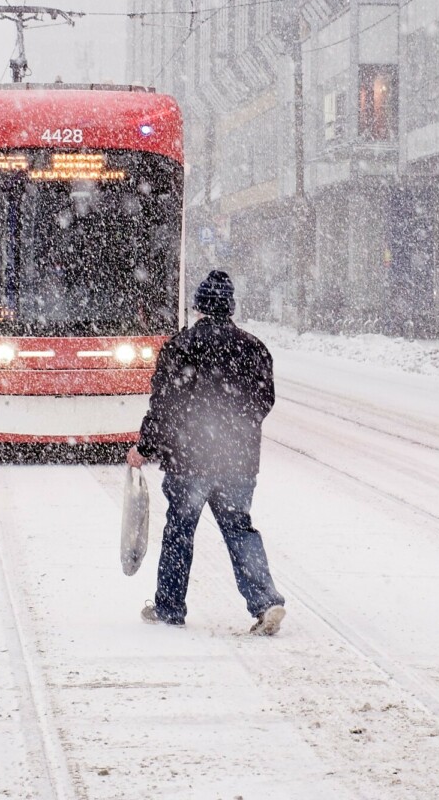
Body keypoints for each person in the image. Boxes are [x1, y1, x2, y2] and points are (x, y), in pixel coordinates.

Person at [126, 269, 286, 635]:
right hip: (236, 461)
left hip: (189, 459)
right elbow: (264, 401)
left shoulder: (180, 347)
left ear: (198, 306)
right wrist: (235, 431)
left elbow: (162, 407)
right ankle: (266, 602)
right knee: (239, 529)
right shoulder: (254, 348)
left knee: (180, 530)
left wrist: (145, 447)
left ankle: (169, 607)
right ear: (230, 307)